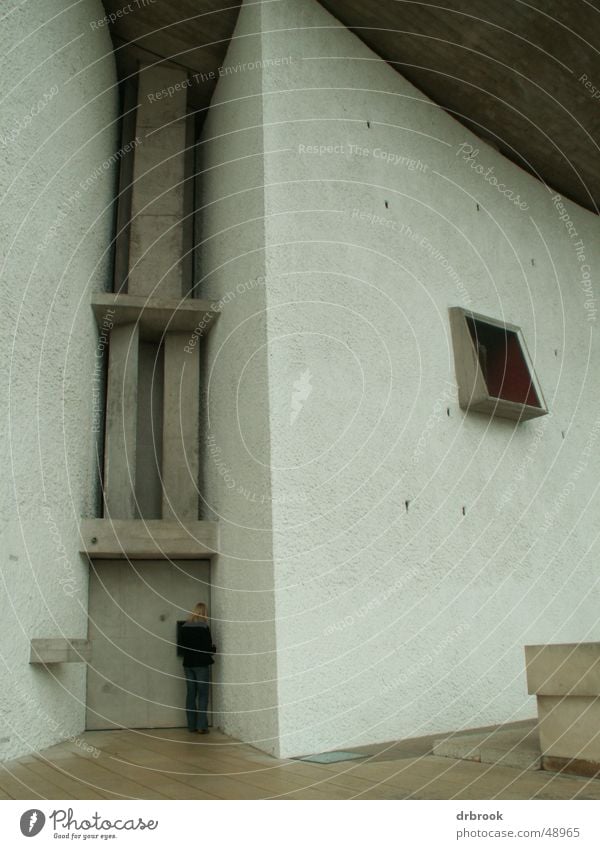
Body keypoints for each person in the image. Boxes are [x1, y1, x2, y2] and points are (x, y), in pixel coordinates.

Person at [179, 602, 216, 734]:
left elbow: (182, 646)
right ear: (204, 613)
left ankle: (191, 726)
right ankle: (201, 726)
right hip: (201, 665)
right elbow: (208, 648)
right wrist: (214, 649)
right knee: (203, 695)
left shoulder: (184, 627)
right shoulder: (204, 627)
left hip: (188, 664)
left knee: (191, 694)